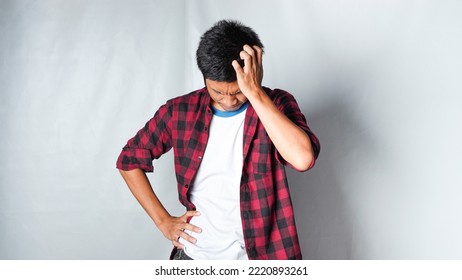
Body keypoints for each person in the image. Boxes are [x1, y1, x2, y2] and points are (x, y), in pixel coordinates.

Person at [116, 20, 320, 260]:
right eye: (218, 92)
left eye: (237, 91)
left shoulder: (276, 105)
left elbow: (302, 159)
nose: (229, 101)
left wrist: (254, 93)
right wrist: (164, 221)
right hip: (195, 257)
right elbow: (129, 159)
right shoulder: (179, 111)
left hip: (264, 258)